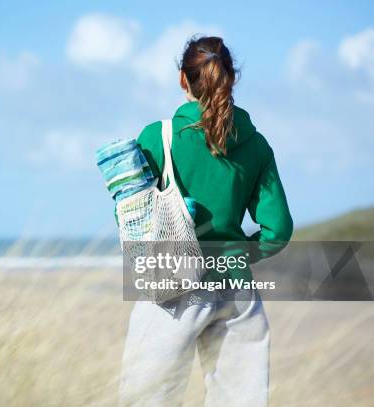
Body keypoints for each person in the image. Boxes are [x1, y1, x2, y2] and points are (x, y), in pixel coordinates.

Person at [119, 36, 293, 406]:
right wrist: (238, 252)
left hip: (171, 289)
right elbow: (278, 231)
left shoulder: (157, 137)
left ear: (184, 79)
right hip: (237, 292)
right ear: (231, 78)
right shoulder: (256, 145)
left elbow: (133, 218)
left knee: (149, 400)